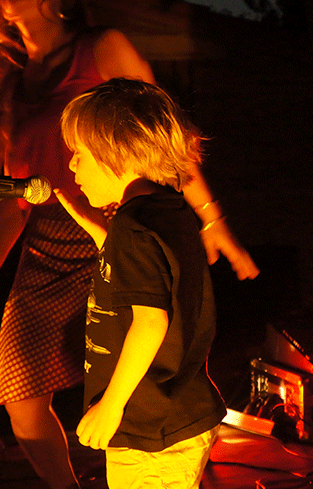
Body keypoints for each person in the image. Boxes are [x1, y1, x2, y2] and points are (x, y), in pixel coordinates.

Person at [0, 0, 256, 488]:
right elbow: (15, 196)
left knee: (141, 355)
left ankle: (172, 447)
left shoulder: (101, 49)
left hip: (113, 226)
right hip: (47, 243)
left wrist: (212, 221)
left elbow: (160, 133)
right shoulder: (12, 85)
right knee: (20, 397)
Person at [55, 78, 225, 488]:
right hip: (175, 416)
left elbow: (151, 321)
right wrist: (103, 236)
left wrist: (110, 407)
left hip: (149, 430)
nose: (73, 166)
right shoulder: (166, 212)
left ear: (118, 151)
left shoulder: (132, 229)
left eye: (80, 154)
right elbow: (159, 279)